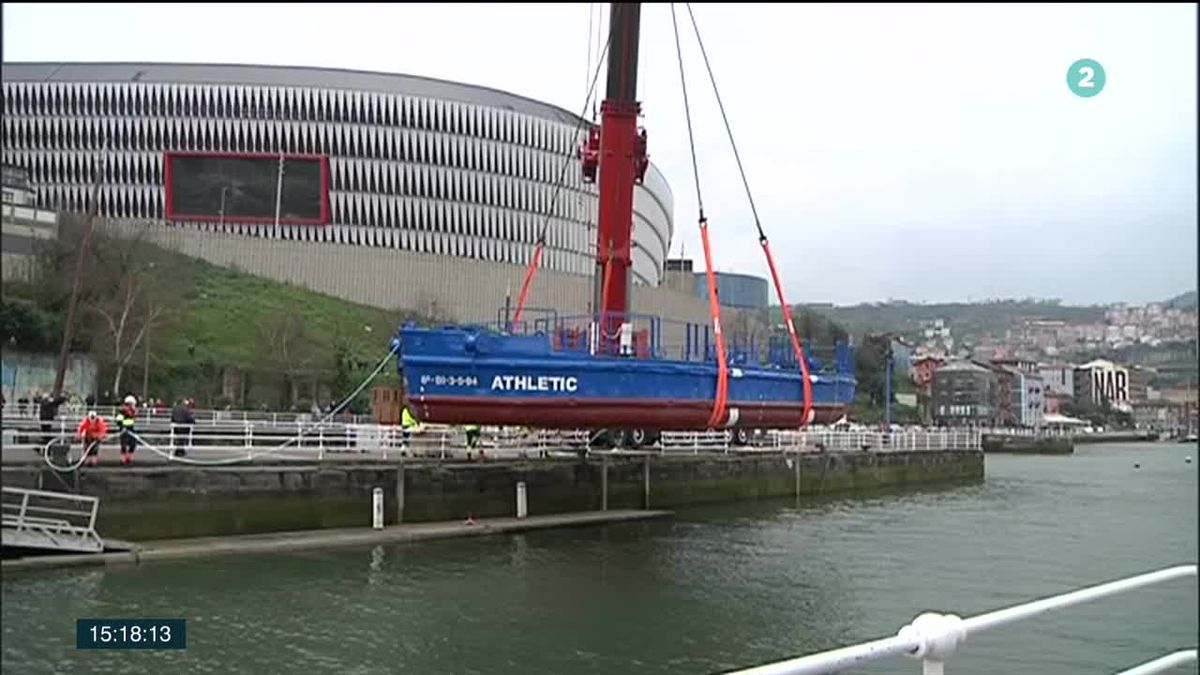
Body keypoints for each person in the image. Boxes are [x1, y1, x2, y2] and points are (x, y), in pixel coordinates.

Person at [116, 395, 139, 465]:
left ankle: (129, 456)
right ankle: (123, 458)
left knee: (133, 443)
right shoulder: (123, 410)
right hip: (124, 428)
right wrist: (122, 427)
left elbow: (133, 417)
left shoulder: (132, 410)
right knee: (124, 444)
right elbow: (119, 420)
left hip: (131, 428)